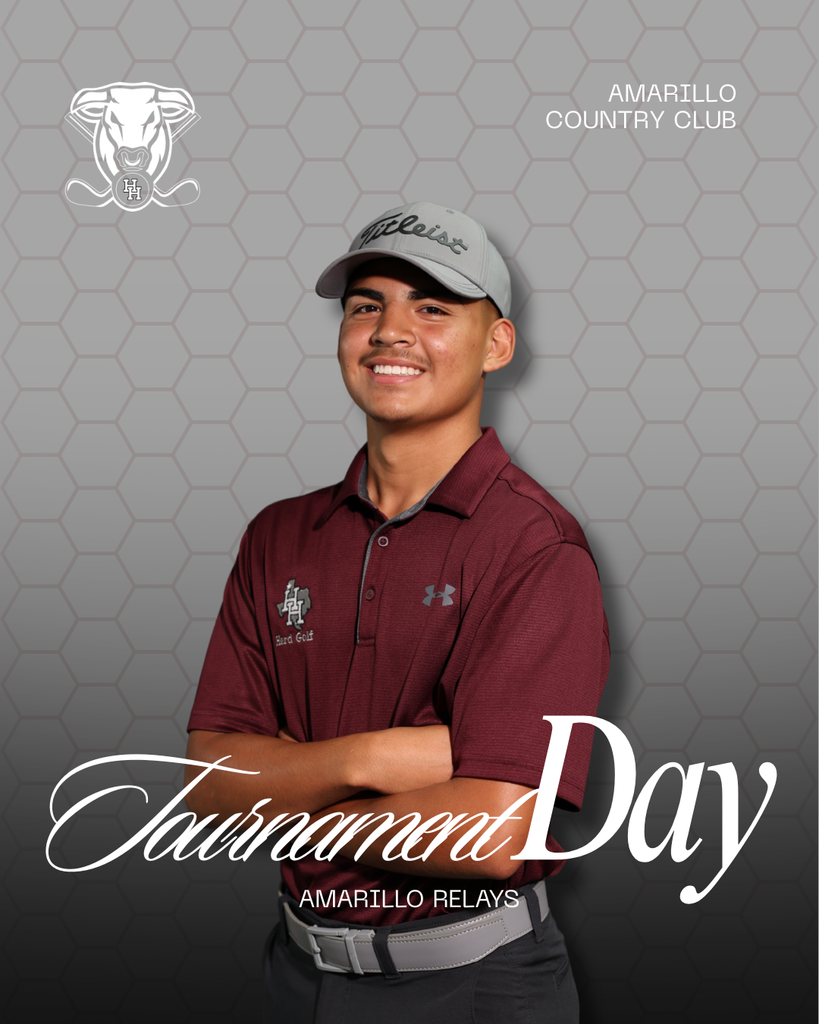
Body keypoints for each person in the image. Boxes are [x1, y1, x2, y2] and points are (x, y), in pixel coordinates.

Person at [185, 201, 610, 1023]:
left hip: (474, 986)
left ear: (496, 345)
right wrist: (376, 758)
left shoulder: (534, 547)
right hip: (295, 974)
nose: (389, 331)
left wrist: (283, 800)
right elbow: (208, 784)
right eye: (365, 306)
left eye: (433, 308)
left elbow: (493, 835)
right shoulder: (276, 536)